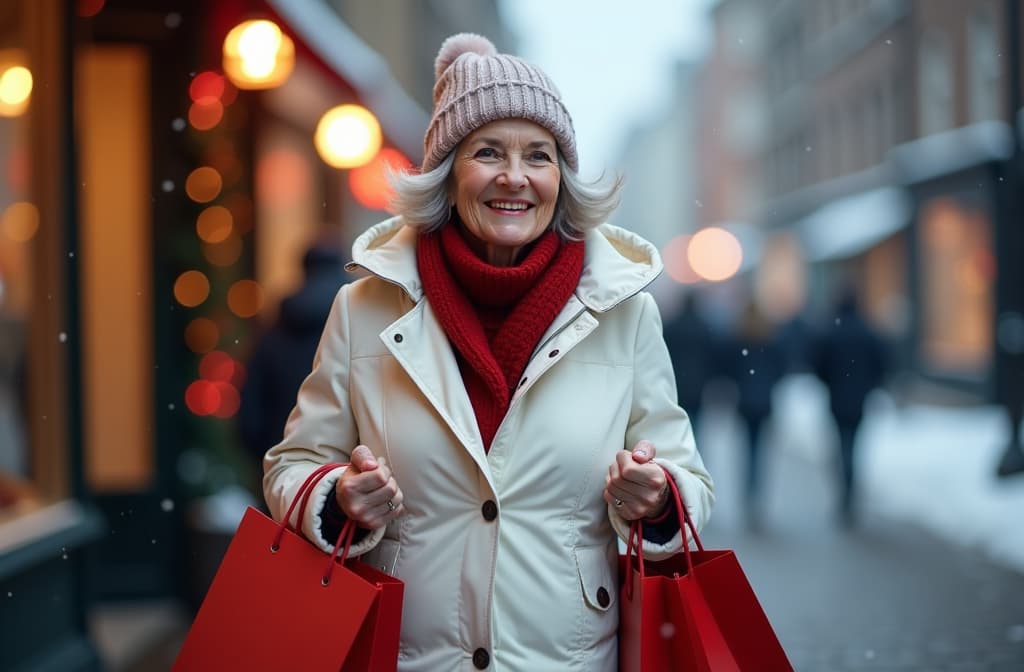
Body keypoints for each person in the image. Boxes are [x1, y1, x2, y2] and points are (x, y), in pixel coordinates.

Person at [263, 33, 714, 671]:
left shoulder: (625, 314)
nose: (515, 177)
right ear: (448, 173)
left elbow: (688, 478)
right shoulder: (363, 309)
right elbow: (294, 463)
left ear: (562, 176)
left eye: (539, 155)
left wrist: (659, 499)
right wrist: (336, 500)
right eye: (488, 152)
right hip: (408, 658)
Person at [238, 240, 348, 500]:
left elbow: (248, 418)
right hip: (347, 479)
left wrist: (269, 455)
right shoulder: (357, 325)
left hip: (282, 482)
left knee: (279, 542)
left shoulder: (273, 335)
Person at [811, 288, 887, 526]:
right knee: (854, 444)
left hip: (836, 398)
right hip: (859, 398)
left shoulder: (831, 331)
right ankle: (850, 491)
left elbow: (819, 365)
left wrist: (832, 382)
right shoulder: (867, 331)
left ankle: (845, 491)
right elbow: (881, 363)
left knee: (841, 445)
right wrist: (868, 385)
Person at [723, 298, 786, 530]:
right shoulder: (771, 338)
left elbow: (728, 367)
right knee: (760, 451)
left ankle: (748, 494)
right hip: (764, 402)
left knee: (747, 450)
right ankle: (757, 495)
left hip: (745, 402)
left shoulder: (738, 337)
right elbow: (781, 368)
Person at [662, 292, 716, 441]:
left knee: (677, 422)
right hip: (698, 383)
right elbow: (711, 357)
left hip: (677, 381)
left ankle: (679, 448)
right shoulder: (704, 328)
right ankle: (692, 451)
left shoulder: (672, 326)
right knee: (696, 424)